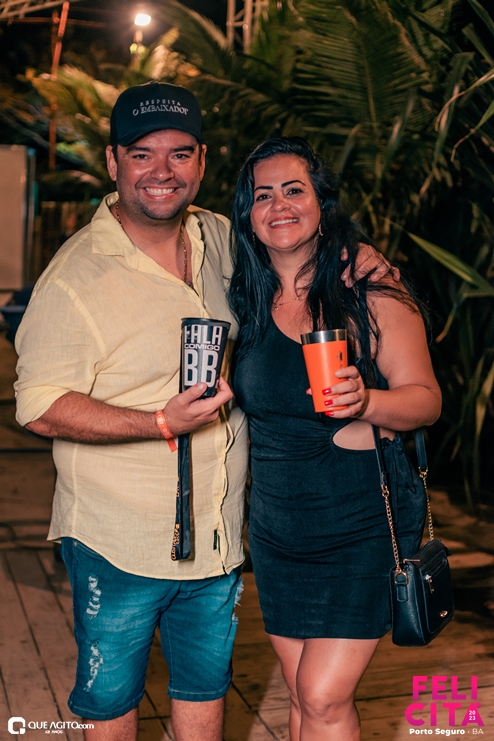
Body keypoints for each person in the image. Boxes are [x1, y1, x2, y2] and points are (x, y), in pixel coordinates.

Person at [14, 83, 399, 741]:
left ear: (201, 160)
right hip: (119, 542)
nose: (161, 171)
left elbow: (297, 251)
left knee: (204, 692)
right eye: (142, 154)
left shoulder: (222, 238)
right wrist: (158, 423)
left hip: (217, 541)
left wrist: (356, 257)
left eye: (180, 153)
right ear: (113, 161)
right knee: (113, 706)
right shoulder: (75, 276)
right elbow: (40, 406)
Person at [229, 137, 442, 741]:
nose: (279, 205)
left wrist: (367, 400)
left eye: (293, 190)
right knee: (301, 692)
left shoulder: (368, 292)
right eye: (262, 195)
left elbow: (426, 400)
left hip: (359, 523)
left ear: (322, 204)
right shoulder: (243, 296)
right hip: (277, 528)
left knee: (322, 696)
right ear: (248, 214)